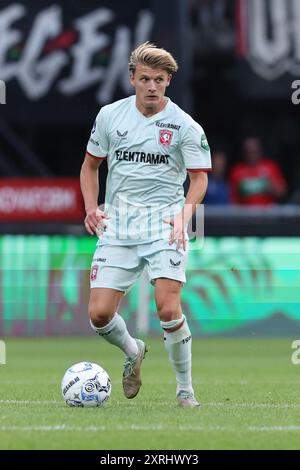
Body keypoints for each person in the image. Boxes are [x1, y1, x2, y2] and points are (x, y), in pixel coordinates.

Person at [80, 42, 211, 408]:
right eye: (144, 79)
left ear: (168, 81)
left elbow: (199, 179)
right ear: (132, 79)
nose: (151, 86)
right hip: (118, 224)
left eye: (158, 79)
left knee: (168, 309)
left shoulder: (184, 125)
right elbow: (90, 167)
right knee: (99, 315)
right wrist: (91, 207)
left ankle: (185, 390)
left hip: (164, 223)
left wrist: (184, 216)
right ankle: (133, 349)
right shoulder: (110, 116)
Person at [230, 137, 286, 205]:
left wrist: (270, 187)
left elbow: (282, 191)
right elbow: (232, 198)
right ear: (243, 153)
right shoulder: (237, 170)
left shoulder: (270, 167)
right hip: (245, 213)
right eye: (248, 152)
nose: (251, 155)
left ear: (260, 151)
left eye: (254, 152)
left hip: (267, 212)